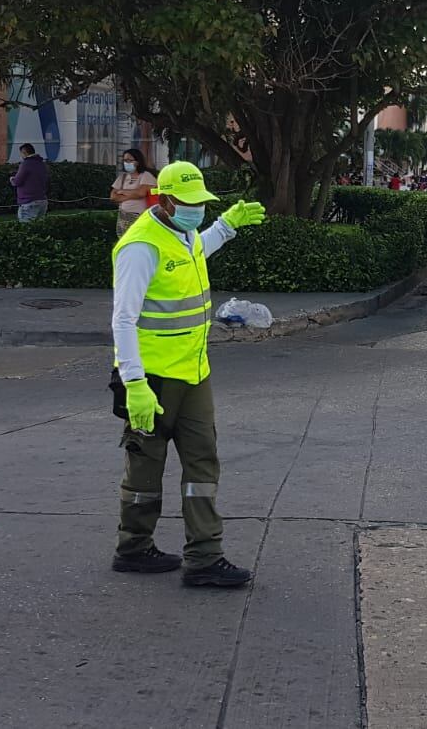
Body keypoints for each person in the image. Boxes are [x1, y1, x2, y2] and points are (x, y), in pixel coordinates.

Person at [110, 161, 266, 586]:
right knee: (145, 469)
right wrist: (135, 384)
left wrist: (228, 226)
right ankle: (134, 547)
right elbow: (122, 320)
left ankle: (203, 557)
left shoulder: (184, 234)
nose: (198, 209)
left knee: (203, 464)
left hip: (194, 374)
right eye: (190, 202)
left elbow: (199, 248)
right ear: (164, 200)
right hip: (153, 380)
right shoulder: (142, 246)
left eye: (202, 202)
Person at [109, 147, 157, 235]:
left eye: (129, 160)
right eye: (124, 160)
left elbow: (141, 193)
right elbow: (113, 196)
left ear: (137, 162)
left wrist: (122, 192)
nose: (126, 163)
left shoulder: (146, 175)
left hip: (140, 216)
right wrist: (133, 194)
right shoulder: (122, 177)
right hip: (123, 217)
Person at [10, 143, 50, 222]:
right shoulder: (41, 163)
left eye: (21, 153)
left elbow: (17, 181)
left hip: (28, 202)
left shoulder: (26, 164)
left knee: (26, 230)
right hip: (42, 200)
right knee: (39, 228)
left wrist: (12, 179)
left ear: (24, 152)